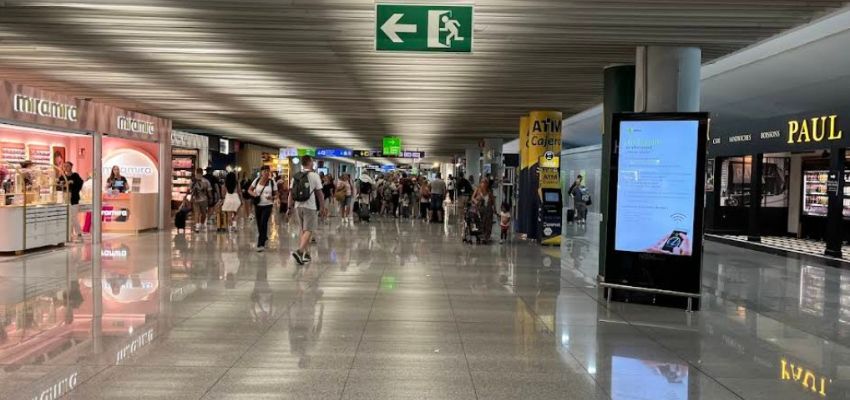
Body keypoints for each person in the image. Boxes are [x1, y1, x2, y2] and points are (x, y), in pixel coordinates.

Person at [288, 155, 326, 265]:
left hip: (297, 206)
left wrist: (289, 207)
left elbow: (291, 193)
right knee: (309, 230)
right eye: (312, 161)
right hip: (310, 207)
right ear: (309, 162)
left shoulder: (295, 176)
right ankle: (300, 251)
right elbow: (320, 194)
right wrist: (322, 207)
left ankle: (306, 254)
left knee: (303, 230)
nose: (313, 163)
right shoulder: (314, 175)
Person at [249, 166, 277, 252]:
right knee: (259, 223)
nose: (266, 173)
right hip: (258, 205)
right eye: (264, 171)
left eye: (268, 171)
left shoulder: (272, 182)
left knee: (263, 222)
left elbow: (276, 194)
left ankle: (260, 243)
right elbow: (249, 190)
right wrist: (254, 194)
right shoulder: (256, 180)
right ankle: (264, 237)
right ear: (261, 172)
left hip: (268, 205)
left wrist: (272, 197)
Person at [59, 162, 84, 241]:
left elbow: (80, 184)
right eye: (64, 166)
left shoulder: (75, 175)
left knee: (73, 217)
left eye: (67, 166)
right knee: (67, 217)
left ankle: (79, 232)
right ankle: (69, 233)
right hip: (64, 200)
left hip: (74, 199)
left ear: (71, 167)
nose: (66, 167)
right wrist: (62, 184)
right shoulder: (62, 177)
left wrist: (72, 183)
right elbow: (58, 187)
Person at [472, 178, 496, 243]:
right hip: (480, 208)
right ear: (480, 183)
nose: (484, 184)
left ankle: (487, 236)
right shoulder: (477, 190)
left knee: (488, 223)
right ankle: (481, 235)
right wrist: (475, 201)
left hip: (488, 209)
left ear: (487, 184)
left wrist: (495, 209)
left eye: (485, 182)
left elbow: (493, 201)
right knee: (481, 222)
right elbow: (472, 198)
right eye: (482, 182)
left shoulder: (489, 191)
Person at [190, 168, 212, 233]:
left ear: (196, 172)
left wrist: (190, 197)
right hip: (204, 199)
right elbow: (209, 191)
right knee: (204, 213)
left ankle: (197, 227)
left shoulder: (192, 181)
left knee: (197, 213)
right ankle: (202, 225)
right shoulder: (206, 181)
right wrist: (210, 198)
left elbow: (190, 190)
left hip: (195, 199)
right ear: (202, 173)